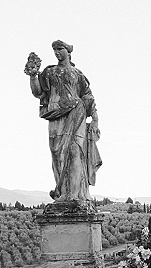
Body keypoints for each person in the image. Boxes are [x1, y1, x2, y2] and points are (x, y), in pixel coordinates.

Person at [25, 40, 101, 202]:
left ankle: (73, 195)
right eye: (54, 50)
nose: (57, 52)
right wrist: (33, 76)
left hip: (77, 113)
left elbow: (87, 95)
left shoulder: (77, 74)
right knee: (57, 153)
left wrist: (95, 119)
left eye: (60, 49)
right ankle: (63, 193)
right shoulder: (49, 72)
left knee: (74, 151)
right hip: (56, 115)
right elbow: (38, 92)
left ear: (68, 51)